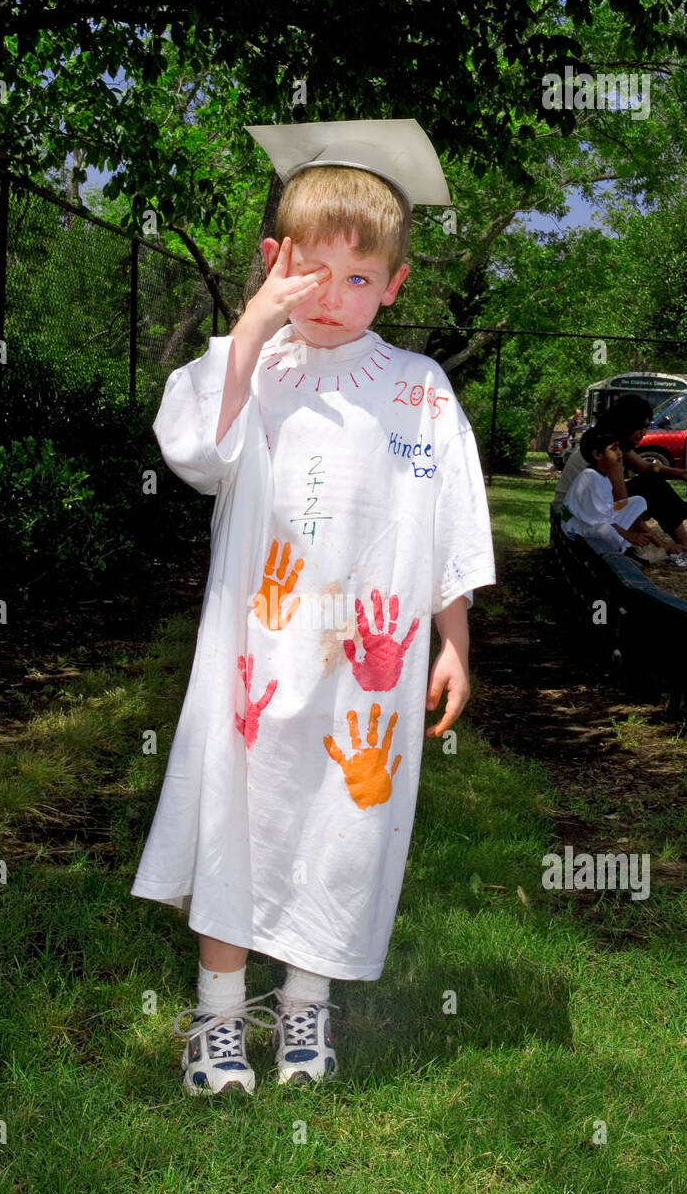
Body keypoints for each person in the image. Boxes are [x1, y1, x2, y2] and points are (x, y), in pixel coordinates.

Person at [129, 119, 496, 1095]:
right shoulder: (256, 368)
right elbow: (199, 452)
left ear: (397, 284)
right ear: (272, 261)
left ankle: (305, 1014)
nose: (333, 299)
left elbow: (448, 519)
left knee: (341, 829)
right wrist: (251, 327)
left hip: (362, 680)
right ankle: (216, 1024)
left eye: (360, 278)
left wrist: (451, 639)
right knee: (234, 823)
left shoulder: (417, 393)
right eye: (310, 272)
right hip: (250, 659)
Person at [555, 394, 687, 562]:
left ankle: (684, 548)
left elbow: (647, 467)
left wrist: (682, 473)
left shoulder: (610, 444)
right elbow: (618, 505)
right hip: (575, 519)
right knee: (651, 486)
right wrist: (654, 540)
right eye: (641, 427)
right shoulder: (606, 453)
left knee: (648, 486)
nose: (644, 433)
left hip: (585, 513)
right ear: (626, 423)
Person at [561, 422, 651, 558]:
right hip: (579, 531)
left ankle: (622, 546)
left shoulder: (603, 476)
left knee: (639, 502)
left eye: (619, 447)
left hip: (597, 524)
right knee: (605, 530)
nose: (620, 453)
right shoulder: (589, 477)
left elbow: (608, 512)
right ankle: (623, 549)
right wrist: (630, 535)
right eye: (614, 448)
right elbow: (600, 522)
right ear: (597, 454)